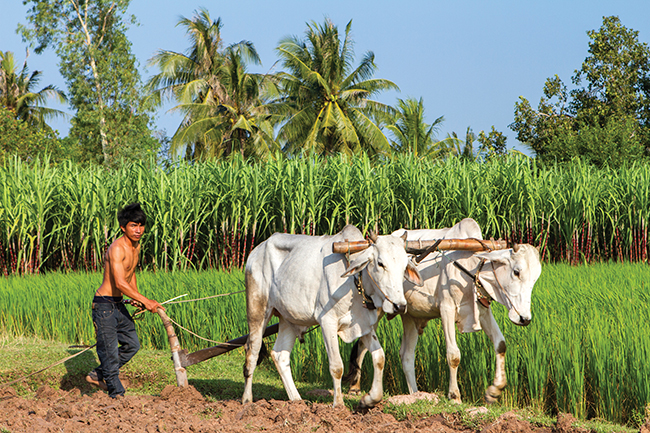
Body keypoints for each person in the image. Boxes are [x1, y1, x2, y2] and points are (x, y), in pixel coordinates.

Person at [85, 203, 164, 398]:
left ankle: (98, 375)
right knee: (110, 352)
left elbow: (131, 273)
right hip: (104, 306)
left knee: (132, 344)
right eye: (133, 225)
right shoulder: (117, 249)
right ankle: (116, 393)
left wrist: (135, 296)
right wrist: (146, 301)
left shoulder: (136, 246)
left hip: (118, 304)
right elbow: (120, 283)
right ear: (123, 227)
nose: (138, 230)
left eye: (141, 225)